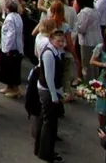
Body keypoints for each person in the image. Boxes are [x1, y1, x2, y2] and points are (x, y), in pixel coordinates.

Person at [33, 29, 68, 163]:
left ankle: (42, 150)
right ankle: (45, 153)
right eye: (58, 41)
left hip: (52, 90)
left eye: (62, 41)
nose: (61, 43)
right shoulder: (49, 53)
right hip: (47, 91)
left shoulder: (57, 52)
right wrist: (54, 95)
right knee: (49, 123)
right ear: (51, 40)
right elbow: (48, 76)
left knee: (46, 121)